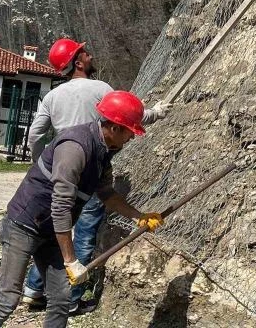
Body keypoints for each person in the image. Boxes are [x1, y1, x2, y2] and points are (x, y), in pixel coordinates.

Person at [0, 90, 164, 328]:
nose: (133, 137)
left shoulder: (104, 151)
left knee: (60, 299)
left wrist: (140, 216)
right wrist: (70, 260)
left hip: (49, 231)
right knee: (8, 298)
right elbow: (60, 207)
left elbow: (107, 194)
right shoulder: (75, 148)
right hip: (24, 225)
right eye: (131, 131)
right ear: (116, 127)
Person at [22, 38, 170, 314]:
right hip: (92, 169)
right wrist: (157, 113)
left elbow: (34, 134)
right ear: (77, 62)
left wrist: (41, 164)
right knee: (85, 233)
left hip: (62, 166)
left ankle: (33, 289)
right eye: (85, 54)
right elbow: (123, 116)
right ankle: (72, 298)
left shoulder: (53, 96)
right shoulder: (101, 89)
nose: (90, 56)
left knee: (57, 232)